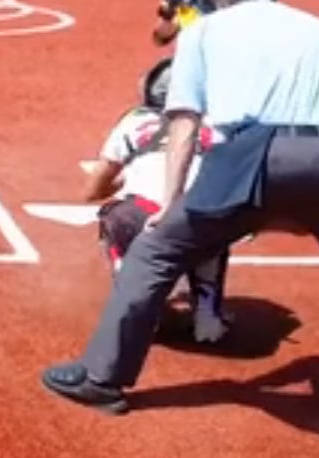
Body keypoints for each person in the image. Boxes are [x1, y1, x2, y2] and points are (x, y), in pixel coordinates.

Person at [41, 0, 319, 417]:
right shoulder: (318, 29)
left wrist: (170, 203)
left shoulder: (205, 31)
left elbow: (184, 123)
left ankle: (101, 379)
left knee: (156, 252)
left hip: (251, 160)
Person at [84, 59, 232, 344]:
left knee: (115, 218)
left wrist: (120, 182)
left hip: (143, 217)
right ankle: (208, 317)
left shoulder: (135, 121)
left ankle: (138, 309)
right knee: (218, 223)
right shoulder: (221, 126)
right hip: (199, 221)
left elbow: (93, 188)